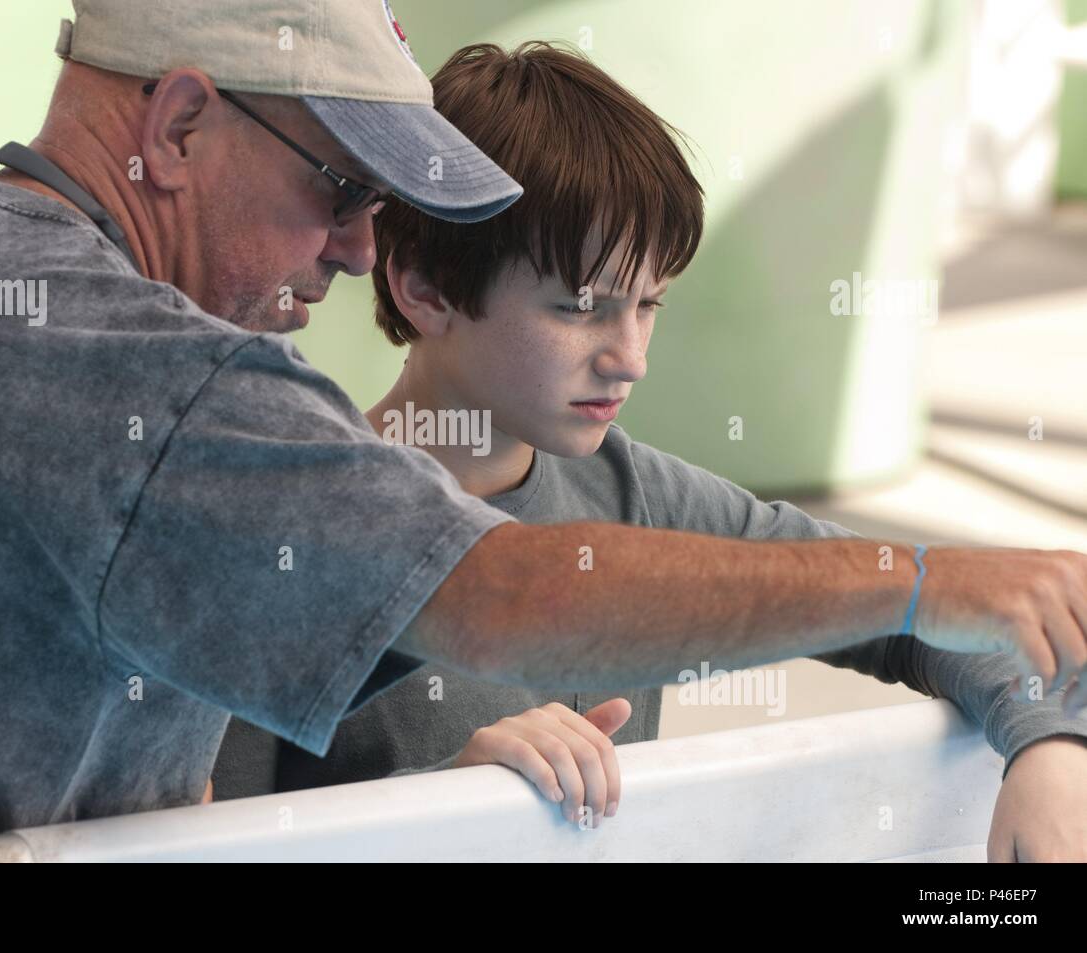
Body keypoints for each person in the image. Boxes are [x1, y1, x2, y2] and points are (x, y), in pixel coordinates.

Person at [0, 0, 1084, 863]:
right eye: (340, 187)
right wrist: (922, 574)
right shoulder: (173, 387)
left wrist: (1039, 730)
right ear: (179, 126)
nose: (360, 248)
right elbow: (502, 592)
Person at [212, 42, 1087, 855]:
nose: (629, 357)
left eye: (649, 304)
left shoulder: (637, 495)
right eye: (581, 307)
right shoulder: (282, 533)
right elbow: (201, 840)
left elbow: (920, 611)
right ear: (424, 286)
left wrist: (1047, 746)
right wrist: (443, 805)